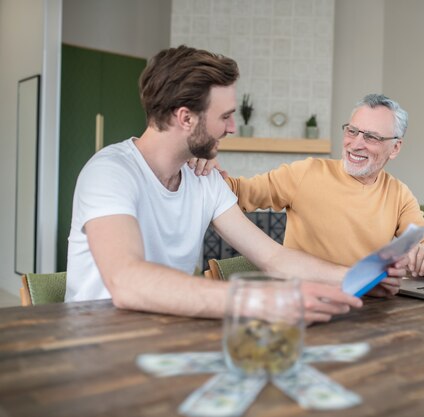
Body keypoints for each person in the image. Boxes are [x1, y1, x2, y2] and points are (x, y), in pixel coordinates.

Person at [64, 45, 363, 323]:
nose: (233, 127)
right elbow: (126, 281)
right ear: (185, 118)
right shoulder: (110, 172)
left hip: (165, 339)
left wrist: (358, 278)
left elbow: (273, 257)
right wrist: (260, 301)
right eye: (225, 116)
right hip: (98, 345)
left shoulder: (203, 179)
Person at [201, 94, 424, 280]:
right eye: (352, 131)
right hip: (302, 300)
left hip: (366, 306)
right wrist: (204, 164)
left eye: (371, 137)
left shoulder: (398, 194)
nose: (356, 144)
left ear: (395, 148)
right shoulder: (306, 173)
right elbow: (238, 191)